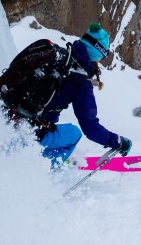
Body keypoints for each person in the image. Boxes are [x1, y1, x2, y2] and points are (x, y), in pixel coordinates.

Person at [36, 23, 132, 165]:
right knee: (74, 134)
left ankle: (39, 155)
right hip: (34, 132)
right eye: (101, 56)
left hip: (11, 114)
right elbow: (90, 127)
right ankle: (42, 168)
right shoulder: (80, 81)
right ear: (96, 53)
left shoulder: (58, 55)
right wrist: (117, 141)